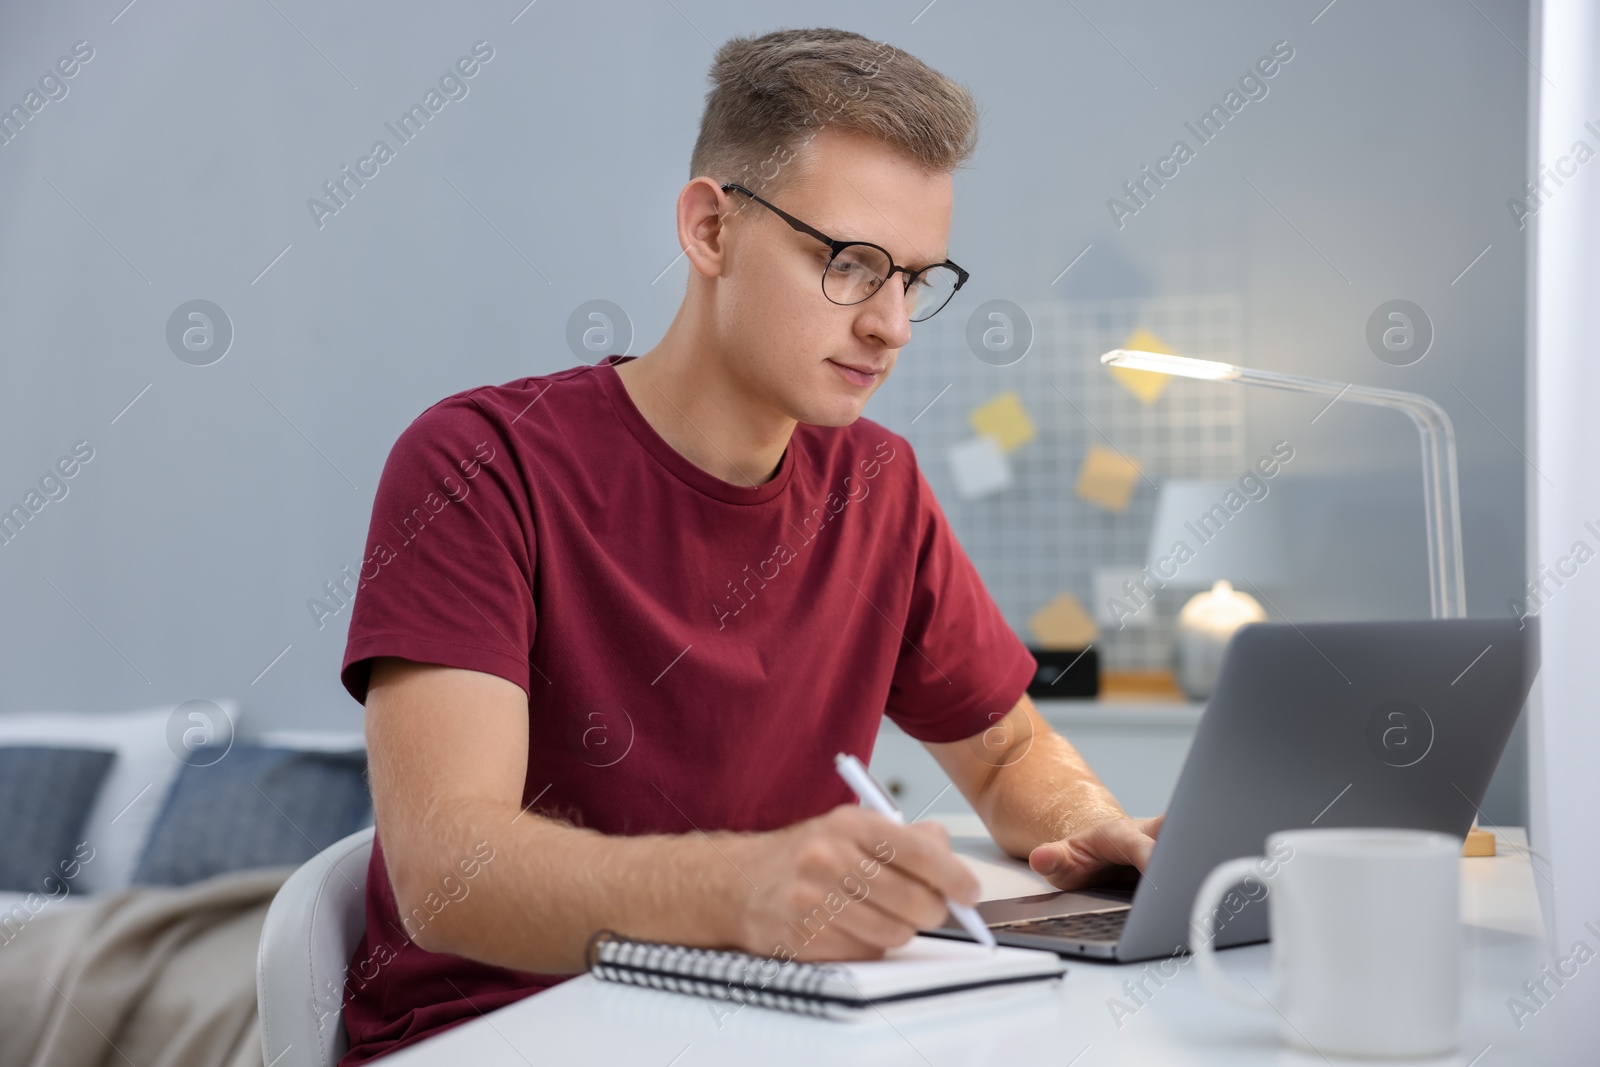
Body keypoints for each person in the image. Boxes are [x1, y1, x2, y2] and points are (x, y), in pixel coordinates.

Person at [334, 26, 1162, 1063]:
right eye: (853, 265)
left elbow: (1005, 751)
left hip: (770, 1031)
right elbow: (445, 869)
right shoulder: (479, 463)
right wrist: (746, 886)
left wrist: (1090, 823)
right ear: (710, 230)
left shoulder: (878, 486)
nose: (893, 325)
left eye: (914, 277)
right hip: (495, 1035)